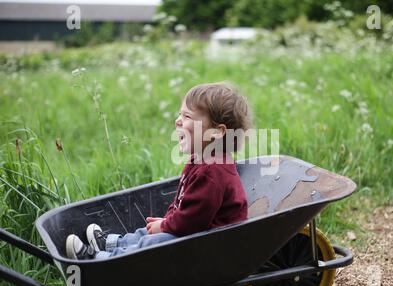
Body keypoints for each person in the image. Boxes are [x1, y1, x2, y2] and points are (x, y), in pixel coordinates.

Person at [66, 82, 253, 260]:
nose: (178, 121)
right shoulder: (202, 160)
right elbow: (183, 203)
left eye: (187, 117)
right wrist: (168, 221)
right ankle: (111, 244)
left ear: (217, 132)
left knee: (155, 242)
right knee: (148, 231)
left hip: (212, 246)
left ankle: (100, 260)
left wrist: (166, 226)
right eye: (180, 114)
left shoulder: (213, 172)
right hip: (198, 234)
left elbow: (192, 221)